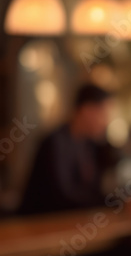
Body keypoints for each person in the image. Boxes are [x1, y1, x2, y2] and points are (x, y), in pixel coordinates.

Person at [17, 83, 117, 215]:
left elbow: (94, 188)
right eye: (103, 114)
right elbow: (63, 196)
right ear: (87, 111)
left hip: (70, 225)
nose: (106, 122)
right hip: (38, 226)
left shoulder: (89, 145)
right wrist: (115, 203)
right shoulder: (54, 143)